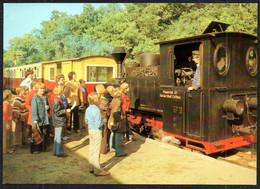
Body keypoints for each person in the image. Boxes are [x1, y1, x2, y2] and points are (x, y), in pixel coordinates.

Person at [85, 92, 110, 176]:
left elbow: (86, 121)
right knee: (96, 150)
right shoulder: (96, 110)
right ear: (97, 100)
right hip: (96, 131)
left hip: (90, 130)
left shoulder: (88, 109)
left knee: (91, 149)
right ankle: (97, 170)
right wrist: (104, 121)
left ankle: (91, 167)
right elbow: (98, 124)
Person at [52, 85, 71, 157]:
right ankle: (59, 152)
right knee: (59, 137)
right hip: (59, 121)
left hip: (57, 121)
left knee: (57, 136)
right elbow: (58, 112)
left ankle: (55, 150)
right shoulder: (57, 101)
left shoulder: (56, 99)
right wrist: (66, 110)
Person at [31, 82, 50, 153]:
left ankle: (43, 148)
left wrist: (48, 108)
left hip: (44, 118)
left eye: (43, 89)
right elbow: (34, 109)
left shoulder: (45, 97)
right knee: (36, 133)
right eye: (40, 89)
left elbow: (47, 106)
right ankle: (35, 149)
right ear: (37, 89)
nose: (42, 90)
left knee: (43, 132)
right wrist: (35, 119)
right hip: (38, 118)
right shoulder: (35, 98)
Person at [108, 88, 127, 157]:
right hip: (116, 121)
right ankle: (119, 152)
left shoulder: (113, 100)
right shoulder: (118, 101)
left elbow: (110, 108)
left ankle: (112, 148)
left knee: (112, 134)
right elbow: (115, 112)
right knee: (118, 136)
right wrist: (120, 118)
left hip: (111, 120)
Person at [25, 79, 40, 144]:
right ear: (34, 86)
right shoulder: (30, 93)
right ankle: (33, 143)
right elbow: (27, 104)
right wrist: (32, 110)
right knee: (33, 130)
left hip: (37, 113)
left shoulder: (36, 93)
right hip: (32, 114)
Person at [96, 84, 110, 154]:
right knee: (104, 134)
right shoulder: (105, 100)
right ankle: (103, 149)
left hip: (97, 118)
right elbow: (107, 111)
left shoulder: (96, 100)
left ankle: (98, 148)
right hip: (103, 118)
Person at [3, 90, 14, 154]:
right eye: (10, 95)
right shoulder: (5, 103)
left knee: (9, 134)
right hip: (6, 121)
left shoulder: (7, 102)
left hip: (9, 120)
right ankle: (5, 149)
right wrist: (6, 123)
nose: (11, 96)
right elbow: (5, 114)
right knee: (5, 135)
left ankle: (8, 147)